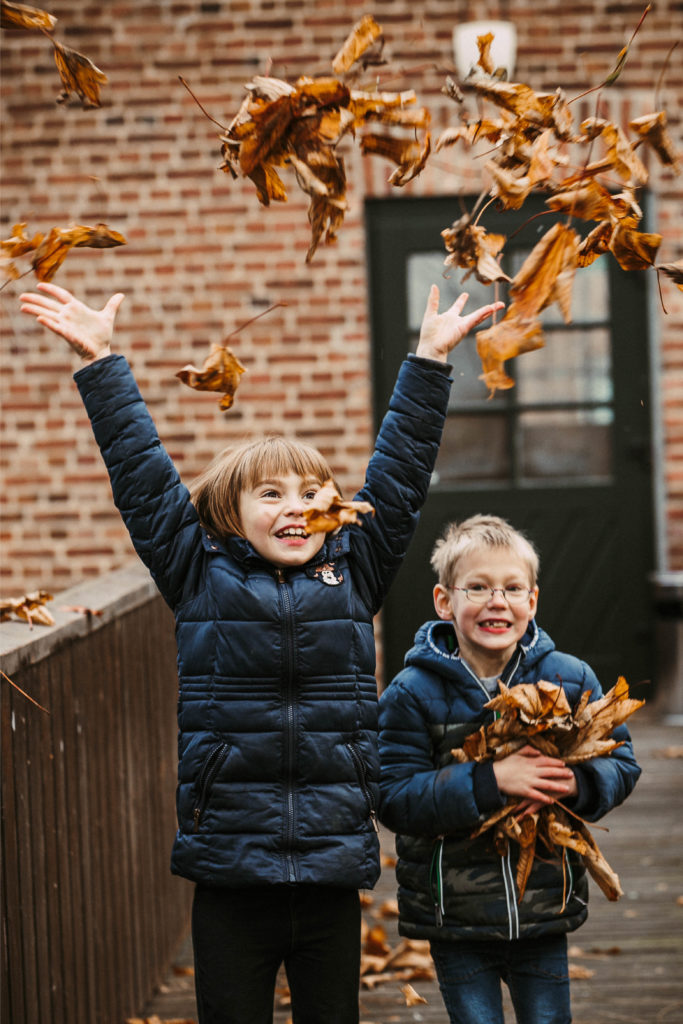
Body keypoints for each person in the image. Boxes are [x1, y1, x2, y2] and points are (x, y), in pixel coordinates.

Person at [19, 280, 503, 1024]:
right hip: (229, 867)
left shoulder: (356, 570)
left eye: (312, 492)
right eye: (270, 494)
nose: (295, 507)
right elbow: (143, 480)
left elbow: (400, 476)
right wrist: (101, 361)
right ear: (229, 514)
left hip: (328, 867)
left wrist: (430, 360)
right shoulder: (195, 570)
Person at [377, 514, 641, 1024]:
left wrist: (581, 782)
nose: (497, 601)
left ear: (531, 601)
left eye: (511, 588)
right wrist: (489, 780)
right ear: (444, 601)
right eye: (477, 587)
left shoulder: (568, 678)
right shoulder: (413, 693)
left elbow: (621, 759)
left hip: (544, 906)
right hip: (454, 915)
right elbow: (394, 796)